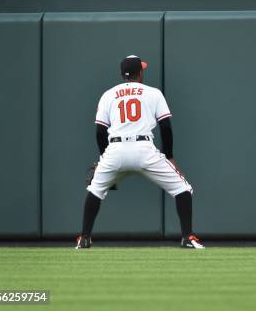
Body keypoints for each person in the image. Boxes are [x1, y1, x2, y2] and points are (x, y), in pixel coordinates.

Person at [76, 55, 204, 249]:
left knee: (95, 190)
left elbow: (100, 131)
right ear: (141, 72)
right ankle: (187, 237)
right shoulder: (153, 93)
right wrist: (169, 156)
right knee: (183, 190)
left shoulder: (108, 94)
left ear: (122, 74)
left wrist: (103, 158)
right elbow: (165, 127)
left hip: (115, 150)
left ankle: (84, 238)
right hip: (144, 150)